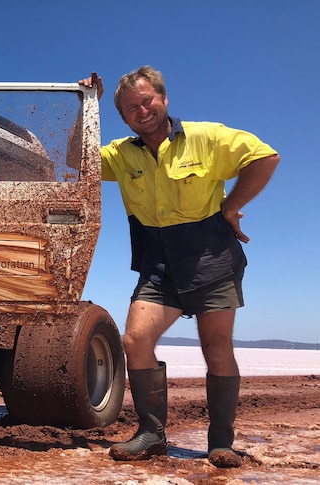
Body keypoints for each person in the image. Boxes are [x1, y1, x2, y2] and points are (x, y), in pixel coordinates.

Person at [79, 67, 279, 468]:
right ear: (123, 116)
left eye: (148, 99)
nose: (142, 110)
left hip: (211, 258)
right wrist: (88, 109)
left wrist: (232, 206)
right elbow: (76, 160)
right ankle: (152, 434)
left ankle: (221, 441)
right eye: (132, 107)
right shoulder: (121, 154)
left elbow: (264, 156)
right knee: (135, 342)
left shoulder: (206, 137)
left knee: (215, 347)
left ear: (164, 99)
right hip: (158, 264)